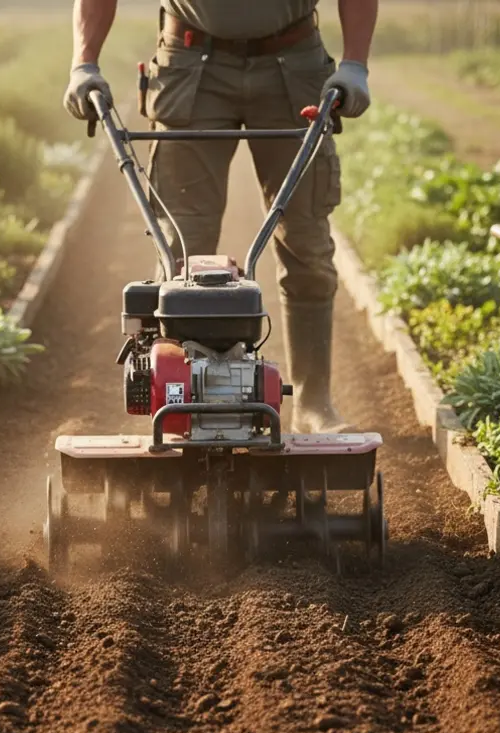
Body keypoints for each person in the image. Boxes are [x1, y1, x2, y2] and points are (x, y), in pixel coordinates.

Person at [62, 0, 377, 436]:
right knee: (181, 251)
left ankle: (313, 401)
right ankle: (179, 397)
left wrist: (355, 64)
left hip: (294, 65)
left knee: (307, 243)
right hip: (191, 64)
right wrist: (84, 63)